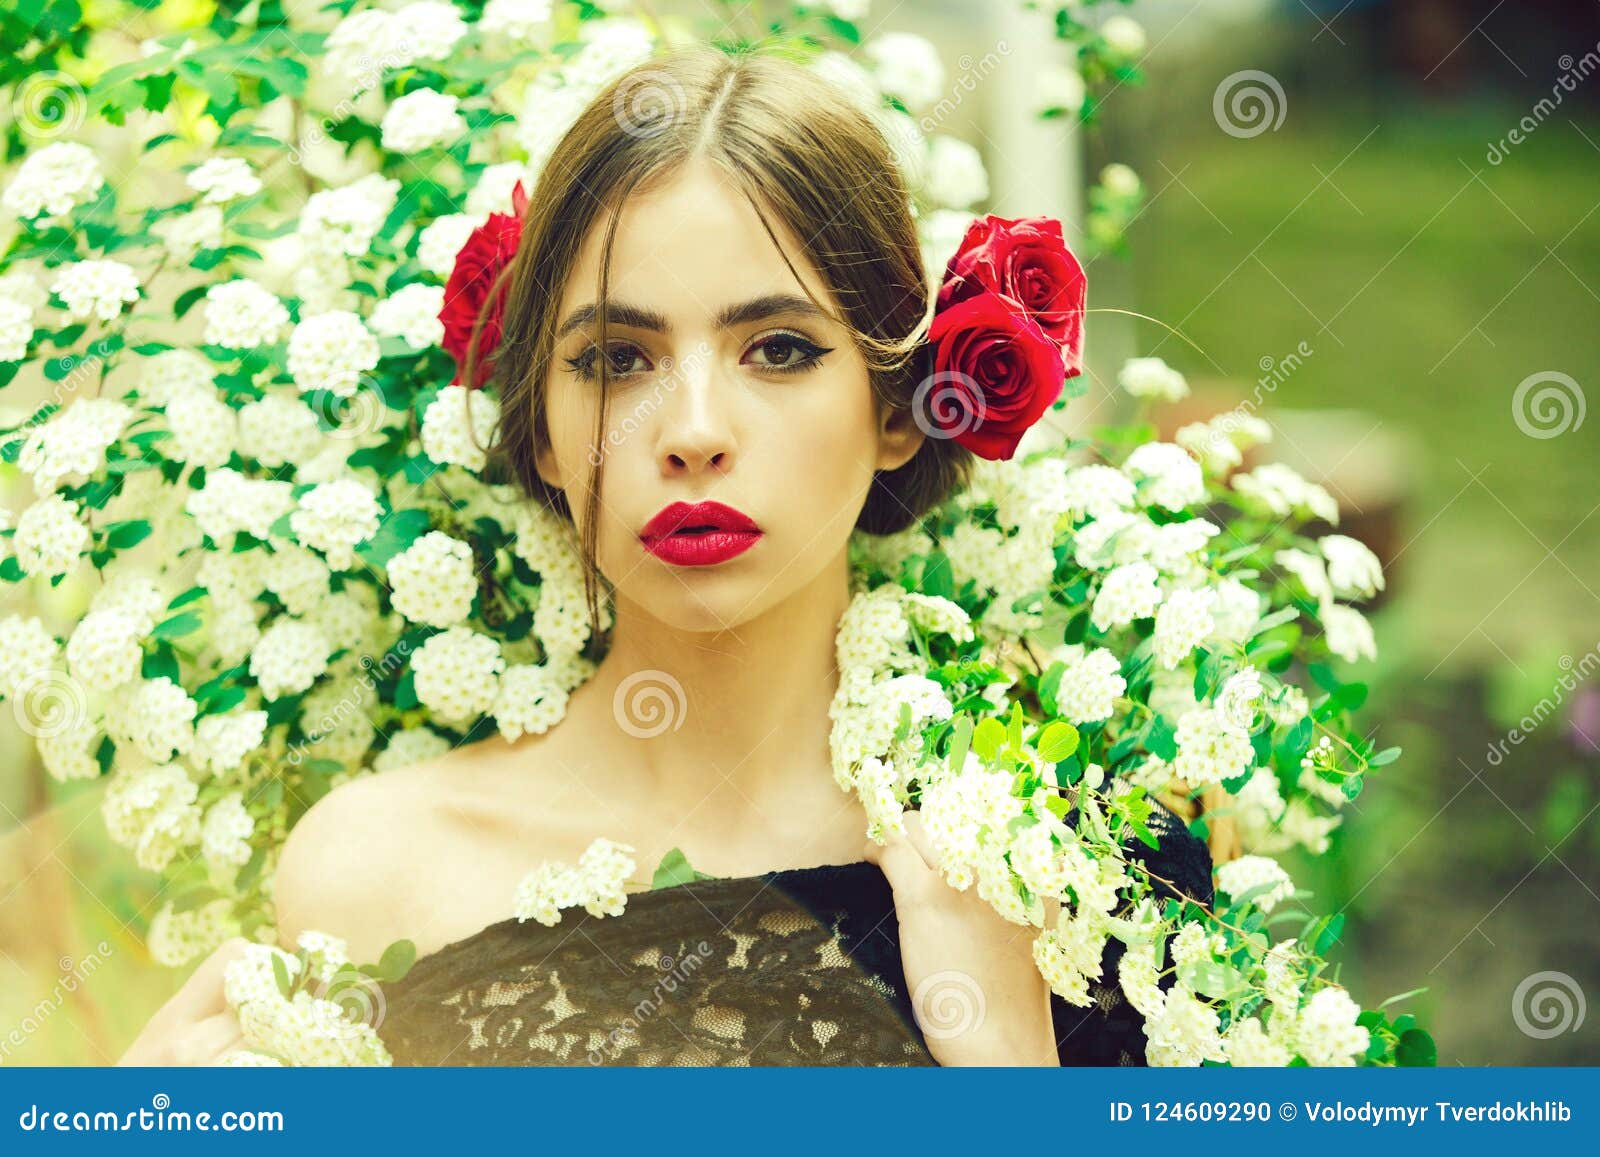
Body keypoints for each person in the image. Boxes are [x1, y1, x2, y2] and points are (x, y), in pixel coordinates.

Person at [119, 44, 1213, 1068]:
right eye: (617, 357)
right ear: (539, 423)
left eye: (778, 350)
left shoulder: (1078, 862)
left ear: (896, 404)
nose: (693, 428)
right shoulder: (372, 870)